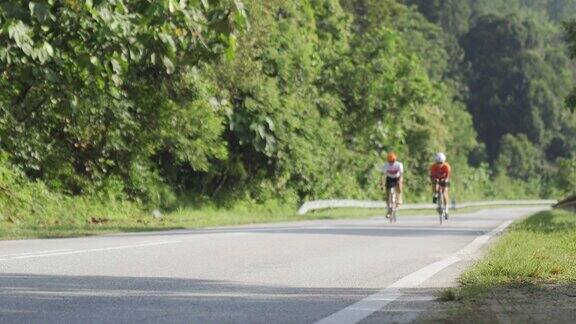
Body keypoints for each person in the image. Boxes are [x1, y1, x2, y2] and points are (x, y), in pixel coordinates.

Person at [381, 152, 404, 217]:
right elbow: (383, 175)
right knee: (387, 194)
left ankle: (399, 200)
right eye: (390, 161)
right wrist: (382, 183)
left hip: (397, 178)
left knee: (399, 187)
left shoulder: (399, 165)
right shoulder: (386, 165)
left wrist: (400, 181)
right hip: (389, 178)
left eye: (393, 161)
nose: (391, 163)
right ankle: (388, 209)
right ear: (388, 161)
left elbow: (401, 174)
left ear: (395, 160)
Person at [430, 152, 451, 216]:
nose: (439, 164)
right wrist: (434, 180)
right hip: (436, 178)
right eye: (437, 163)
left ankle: (446, 210)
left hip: (444, 179)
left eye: (441, 163)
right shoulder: (433, 166)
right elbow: (432, 176)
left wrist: (444, 180)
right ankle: (435, 194)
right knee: (435, 184)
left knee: (445, 193)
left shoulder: (447, 166)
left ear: (444, 161)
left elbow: (447, 176)